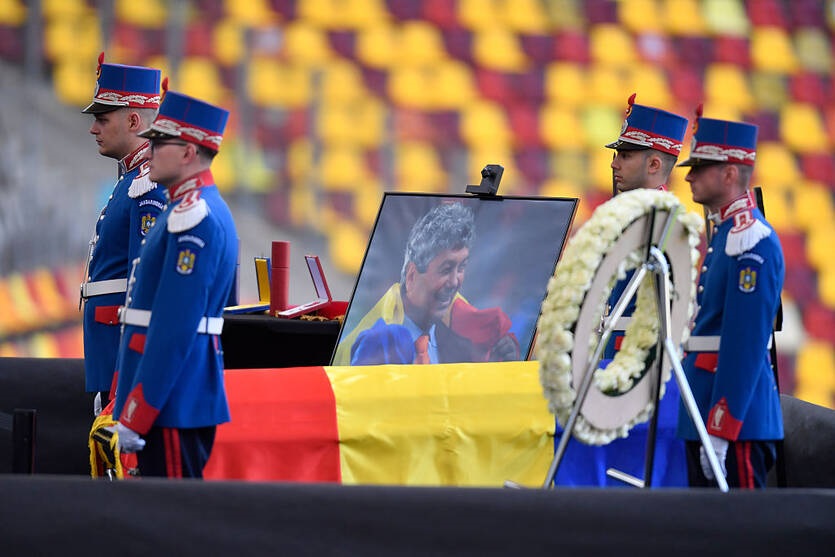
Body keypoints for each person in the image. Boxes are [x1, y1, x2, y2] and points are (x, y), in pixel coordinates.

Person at [553, 94, 690, 487]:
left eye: (625, 155)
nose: (614, 163)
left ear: (654, 164)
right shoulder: (630, 220)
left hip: (643, 393)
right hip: (610, 379)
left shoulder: (666, 227)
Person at [109, 90, 239, 478]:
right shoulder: (183, 208)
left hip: (172, 399)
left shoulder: (194, 217)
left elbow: (174, 326)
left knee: (170, 510)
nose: (148, 151)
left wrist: (140, 409)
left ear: (187, 153)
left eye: (159, 143)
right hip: (169, 395)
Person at [675, 110, 784, 489]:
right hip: (705, 410)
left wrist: (723, 425)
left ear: (729, 173)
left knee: (742, 524)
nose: (688, 176)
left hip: (735, 422)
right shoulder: (726, 233)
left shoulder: (750, 241)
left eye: (700, 167)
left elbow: (745, 343)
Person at [80, 54, 167, 415]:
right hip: (108, 353)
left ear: (133, 121)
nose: (93, 129)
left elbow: (141, 287)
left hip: (120, 356)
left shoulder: (147, 186)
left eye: (102, 119)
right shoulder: (131, 180)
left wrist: (126, 376)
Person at [333, 201, 520, 366]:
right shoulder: (376, 345)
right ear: (412, 276)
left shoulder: (464, 346)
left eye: (461, 267)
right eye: (446, 269)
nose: (455, 282)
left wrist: (499, 364)